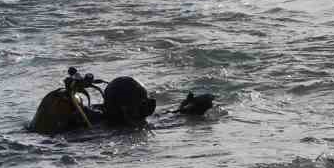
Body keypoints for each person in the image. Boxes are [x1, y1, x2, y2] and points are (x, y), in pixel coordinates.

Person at [28, 67, 214, 135]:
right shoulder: (94, 124)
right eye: (142, 107)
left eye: (147, 107)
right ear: (124, 109)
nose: (146, 113)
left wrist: (183, 111)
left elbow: (155, 120)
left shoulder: (115, 116)